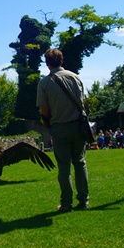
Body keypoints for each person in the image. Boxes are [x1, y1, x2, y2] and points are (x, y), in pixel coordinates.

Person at [36, 49, 89, 213]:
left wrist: (49, 125)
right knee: (80, 163)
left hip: (59, 127)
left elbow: (44, 110)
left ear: (47, 63)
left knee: (64, 167)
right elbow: (83, 102)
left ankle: (66, 203)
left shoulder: (45, 83)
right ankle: (84, 200)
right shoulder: (76, 77)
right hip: (78, 126)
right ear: (62, 60)